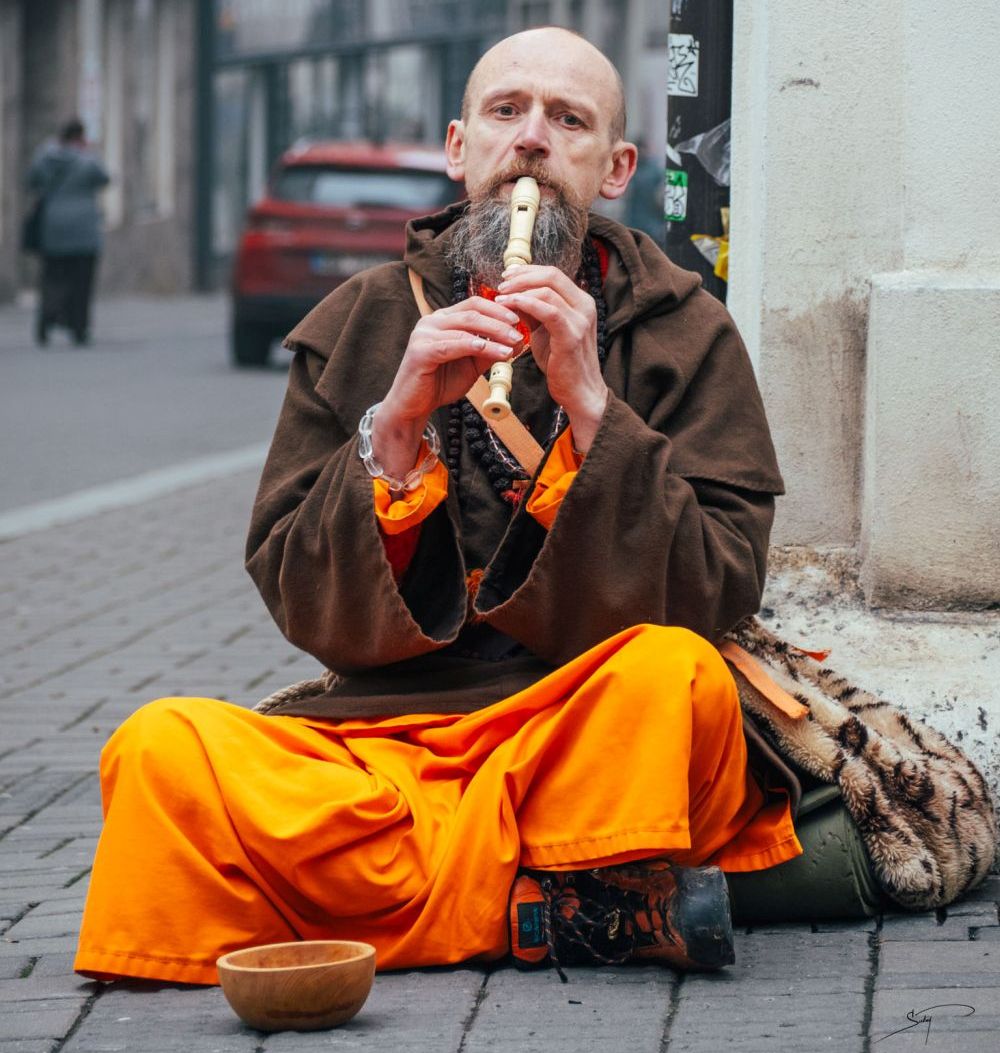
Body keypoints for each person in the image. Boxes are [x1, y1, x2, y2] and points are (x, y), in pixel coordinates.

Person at [75, 28, 798, 985]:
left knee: (679, 678)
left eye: (568, 120)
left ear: (616, 167)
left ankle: (369, 901)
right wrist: (394, 428)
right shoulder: (363, 319)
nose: (532, 139)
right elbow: (297, 594)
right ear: (460, 147)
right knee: (161, 747)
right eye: (507, 111)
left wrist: (593, 409)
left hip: (580, 729)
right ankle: (549, 907)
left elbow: (721, 585)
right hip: (385, 739)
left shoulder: (687, 331)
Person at [26, 118, 109, 346]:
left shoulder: (44, 157)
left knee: (52, 277)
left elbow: (31, 181)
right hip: (84, 231)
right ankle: (79, 327)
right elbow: (104, 178)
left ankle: (46, 320)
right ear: (80, 137)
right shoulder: (87, 160)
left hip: (53, 227)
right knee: (82, 281)